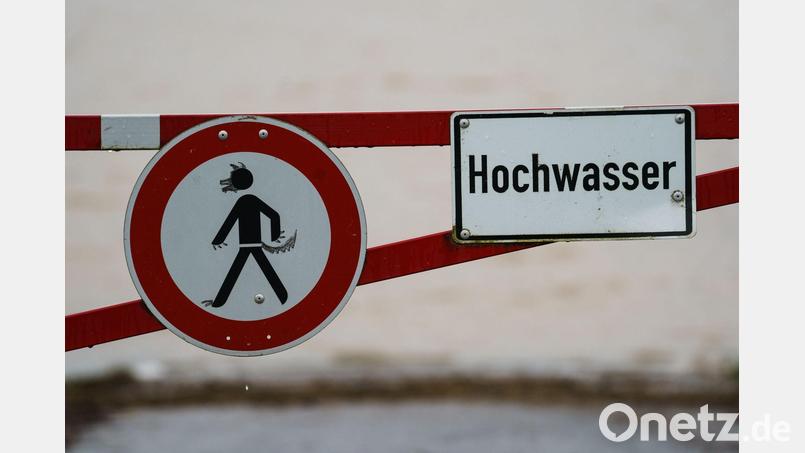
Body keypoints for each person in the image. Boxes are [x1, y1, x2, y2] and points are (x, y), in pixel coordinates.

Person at [202, 163, 288, 308]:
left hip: (246, 244)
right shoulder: (252, 200)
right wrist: (274, 235)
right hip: (253, 244)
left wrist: (218, 240)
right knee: (261, 270)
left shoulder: (244, 201)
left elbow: (230, 221)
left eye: (230, 179)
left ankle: (218, 303)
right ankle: (283, 297)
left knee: (234, 273)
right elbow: (274, 215)